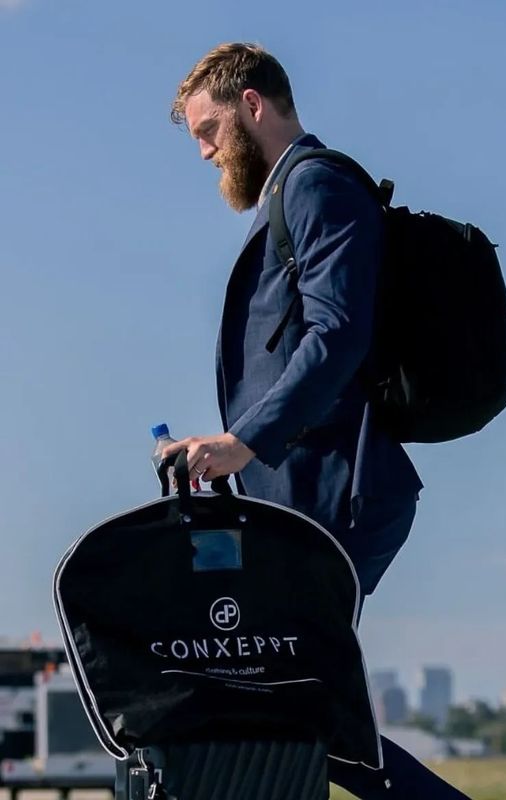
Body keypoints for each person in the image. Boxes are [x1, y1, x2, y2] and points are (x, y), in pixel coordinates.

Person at [164, 42, 470, 800]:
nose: (203, 151)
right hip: (301, 497)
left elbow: (336, 337)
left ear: (253, 106)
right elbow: (294, 359)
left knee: (289, 698)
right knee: (280, 701)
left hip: (339, 496)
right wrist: (221, 442)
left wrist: (244, 441)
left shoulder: (316, 186)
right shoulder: (289, 196)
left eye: (208, 129)